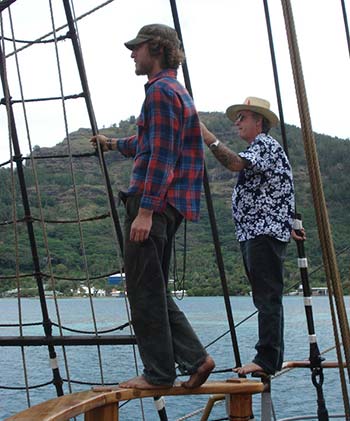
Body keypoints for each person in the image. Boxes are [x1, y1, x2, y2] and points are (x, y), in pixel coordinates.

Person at [90, 24, 214, 390]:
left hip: (152, 206)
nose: (132, 53)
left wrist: (144, 211)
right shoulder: (177, 92)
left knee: (142, 290)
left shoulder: (159, 93)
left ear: (156, 49)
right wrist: (112, 144)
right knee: (153, 288)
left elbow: (160, 155)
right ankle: (195, 358)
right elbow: (148, 142)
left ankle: (158, 373)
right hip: (169, 206)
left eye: (137, 48)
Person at [201, 97, 304, 376]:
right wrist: (292, 221)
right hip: (257, 231)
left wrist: (206, 135)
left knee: (268, 297)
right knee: (266, 296)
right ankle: (267, 357)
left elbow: (234, 163)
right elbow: (283, 185)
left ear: (259, 121)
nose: (237, 123)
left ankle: (266, 360)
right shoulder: (265, 150)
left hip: (263, 232)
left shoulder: (264, 146)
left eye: (242, 117)